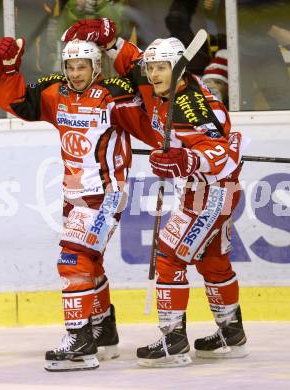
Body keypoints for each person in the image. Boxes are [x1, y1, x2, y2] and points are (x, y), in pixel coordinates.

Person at [64, 18, 248, 367]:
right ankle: (231, 334)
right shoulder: (168, 89)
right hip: (207, 192)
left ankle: (173, 341)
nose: (153, 74)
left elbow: (224, 157)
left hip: (209, 194)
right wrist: (112, 42)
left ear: (178, 67)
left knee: (168, 254)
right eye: (152, 67)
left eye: (162, 67)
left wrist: (184, 159)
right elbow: (133, 65)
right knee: (213, 260)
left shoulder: (189, 104)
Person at [0, 28, 158, 371]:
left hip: (107, 195)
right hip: (75, 196)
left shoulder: (114, 95)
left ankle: (80, 340)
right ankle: (104, 332)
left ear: (96, 66)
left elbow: (150, 128)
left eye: (82, 66)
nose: (75, 73)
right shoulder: (56, 91)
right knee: (89, 263)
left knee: (73, 260)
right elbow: (18, 103)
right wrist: (9, 72)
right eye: (71, 66)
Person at [238, 0, 290, 110]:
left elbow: (283, 24)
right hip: (237, 51)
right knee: (240, 107)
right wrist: (274, 31)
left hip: (267, 52)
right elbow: (237, 11)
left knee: (285, 105)